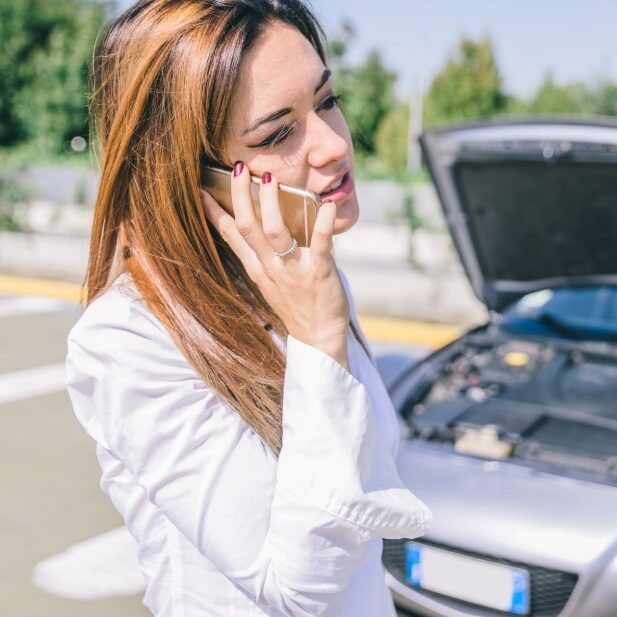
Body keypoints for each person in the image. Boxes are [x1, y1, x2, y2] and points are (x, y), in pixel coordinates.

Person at [64, 1, 432, 615]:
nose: (332, 145)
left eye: (327, 100)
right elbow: (297, 589)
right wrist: (318, 339)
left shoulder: (297, 270)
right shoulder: (127, 339)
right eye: (277, 133)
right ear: (193, 175)